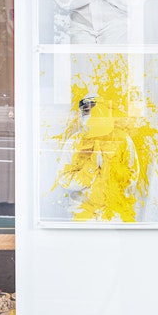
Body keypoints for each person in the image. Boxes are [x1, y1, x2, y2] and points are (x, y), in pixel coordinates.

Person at [56, 93, 140, 221]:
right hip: (81, 211)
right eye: (85, 110)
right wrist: (91, 169)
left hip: (115, 212)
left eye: (94, 109)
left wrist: (111, 175)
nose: (89, 113)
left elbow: (133, 174)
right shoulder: (74, 142)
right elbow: (64, 179)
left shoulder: (122, 139)